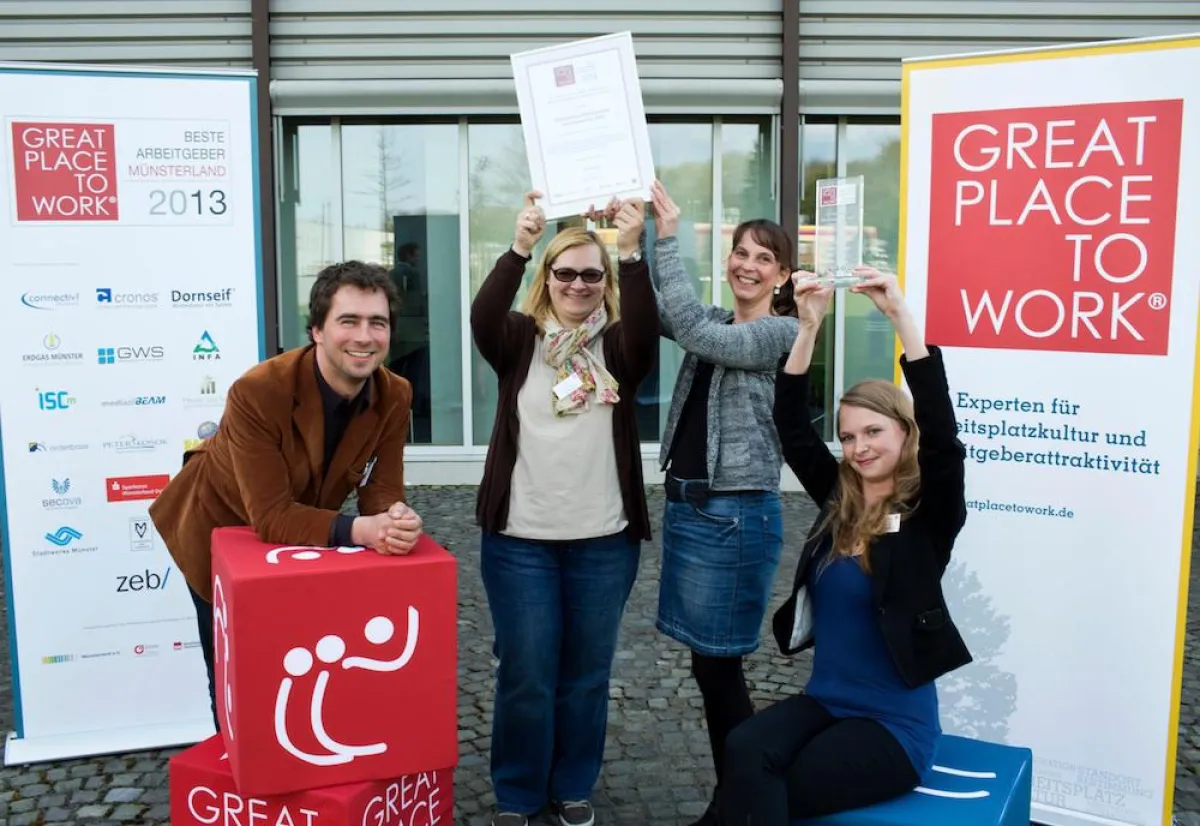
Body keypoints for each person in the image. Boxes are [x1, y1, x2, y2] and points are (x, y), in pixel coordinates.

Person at [717, 269, 972, 824]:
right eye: (850, 435)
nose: (859, 447)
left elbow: (944, 437)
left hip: (893, 726)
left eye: (874, 432)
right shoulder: (839, 498)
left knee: (781, 786)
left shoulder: (928, 515)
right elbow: (791, 426)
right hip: (826, 702)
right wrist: (808, 327)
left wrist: (899, 315)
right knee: (744, 747)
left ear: (904, 432)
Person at [148, 261, 425, 728]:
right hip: (218, 527)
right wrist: (365, 529)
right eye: (348, 321)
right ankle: (241, 767)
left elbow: (381, 488)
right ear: (317, 330)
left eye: (377, 323)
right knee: (239, 678)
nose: (364, 336)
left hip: (304, 528)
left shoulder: (396, 393)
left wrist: (395, 519)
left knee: (302, 658)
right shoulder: (258, 390)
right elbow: (272, 516)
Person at [470, 191, 659, 826]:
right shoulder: (517, 340)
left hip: (603, 542)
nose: (578, 284)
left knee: (586, 675)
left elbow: (646, 333)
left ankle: (572, 785)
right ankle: (518, 793)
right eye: (566, 272)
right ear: (547, 278)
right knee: (526, 674)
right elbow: (482, 315)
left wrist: (630, 252)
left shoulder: (618, 347)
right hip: (520, 541)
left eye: (591, 275)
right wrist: (519, 247)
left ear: (605, 284)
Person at [647, 180, 800, 826]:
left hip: (735, 518)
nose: (748, 265)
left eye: (764, 257)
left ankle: (742, 804)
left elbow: (683, 325)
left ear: (782, 276)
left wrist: (666, 236)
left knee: (720, 670)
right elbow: (658, 311)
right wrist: (627, 244)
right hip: (692, 512)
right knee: (708, 668)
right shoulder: (714, 321)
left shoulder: (780, 333)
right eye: (741, 252)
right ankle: (739, 799)